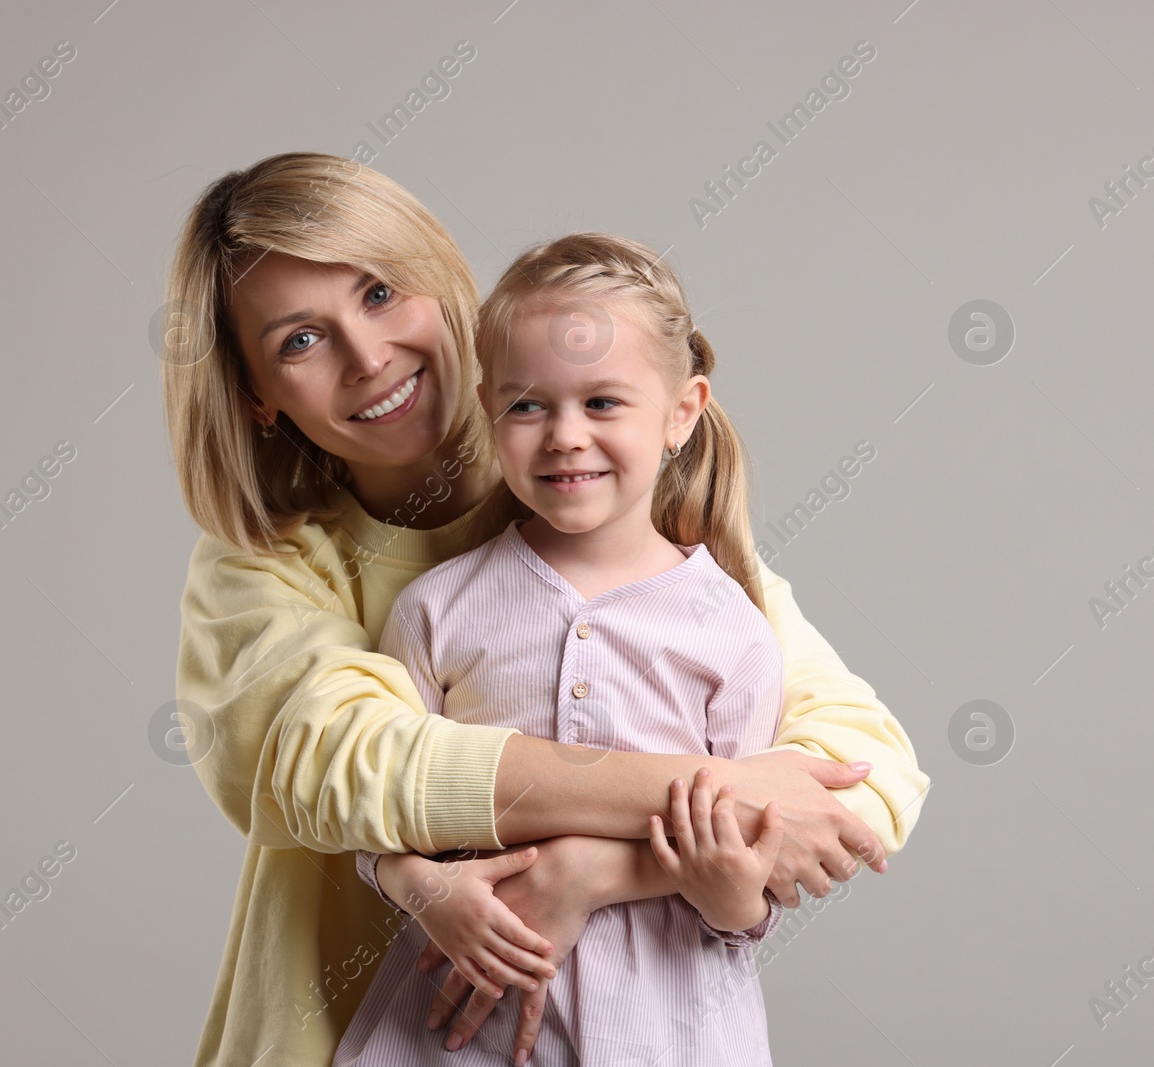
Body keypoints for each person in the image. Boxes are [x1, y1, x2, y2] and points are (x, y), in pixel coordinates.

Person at [161, 153, 930, 1066]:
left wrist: (596, 872)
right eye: (299, 340)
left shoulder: (605, 507)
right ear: (257, 395)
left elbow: (864, 768)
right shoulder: (263, 567)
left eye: (378, 292)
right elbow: (342, 761)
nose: (368, 358)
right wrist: (711, 792)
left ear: (440, 283)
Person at [338, 231, 814, 1065]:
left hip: (668, 1031)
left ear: (681, 412)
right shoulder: (438, 609)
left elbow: (749, 884)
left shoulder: (730, 630)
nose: (563, 435)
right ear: (489, 409)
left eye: (601, 403)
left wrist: (730, 889)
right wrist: (423, 885)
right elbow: (382, 808)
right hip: (451, 1028)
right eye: (527, 405)